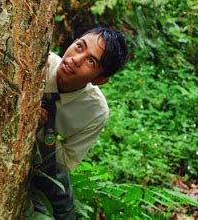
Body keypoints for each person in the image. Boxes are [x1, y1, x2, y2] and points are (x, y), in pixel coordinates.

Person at [32, 27, 129, 219]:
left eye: (91, 61)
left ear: (100, 80)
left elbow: (67, 161)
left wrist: (44, 129)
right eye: (79, 46)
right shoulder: (40, 63)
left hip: (48, 162)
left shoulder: (96, 111)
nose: (76, 59)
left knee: (65, 208)